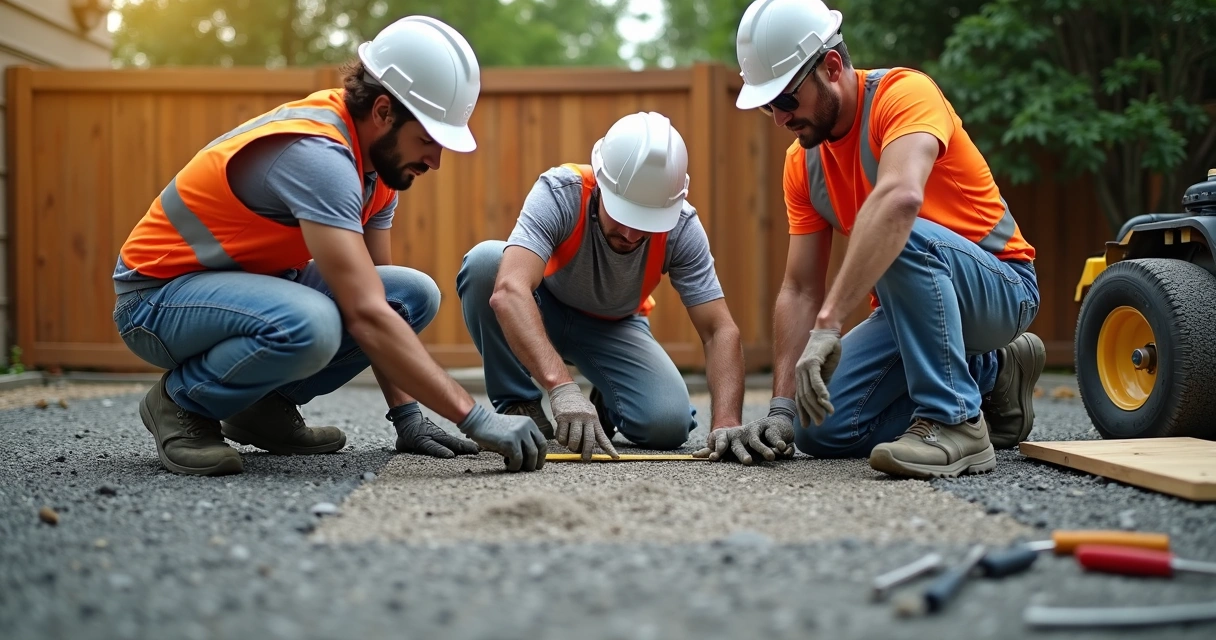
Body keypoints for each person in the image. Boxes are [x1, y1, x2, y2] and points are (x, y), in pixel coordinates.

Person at [111, 16, 548, 477]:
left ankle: (259, 408)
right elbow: (365, 314)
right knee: (311, 324)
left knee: (412, 293)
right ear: (383, 111)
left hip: (238, 293)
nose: (435, 160)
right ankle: (180, 402)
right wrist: (476, 418)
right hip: (155, 301)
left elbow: (383, 307)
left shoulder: (376, 173)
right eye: (427, 139)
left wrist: (408, 418)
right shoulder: (318, 154)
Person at [708, 0, 1045, 477]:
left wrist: (829, 324)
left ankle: (956, 421)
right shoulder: (802, 164)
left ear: (830, 66)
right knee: (819, 429)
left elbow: (901, 200)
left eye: (785, 99)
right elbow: (800, 287)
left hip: (1000, 288)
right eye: (767, 105)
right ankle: (991, 376)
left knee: (893, 224)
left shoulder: (904, 94)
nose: (779, 118)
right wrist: (782, 408)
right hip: (910, 311)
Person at [456, 111, 753, 460]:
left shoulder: (682, 228)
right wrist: (561, 386)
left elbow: (719, 329)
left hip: (614, 327)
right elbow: (510, 290)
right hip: (540, 308)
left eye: (645, 222)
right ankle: (517, 403)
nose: (630, 233)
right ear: (600, 182)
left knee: (667, 426)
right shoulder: (560, 192)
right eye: (623, 213)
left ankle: (608, 403)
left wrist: (726, 423)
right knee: (487, 264)